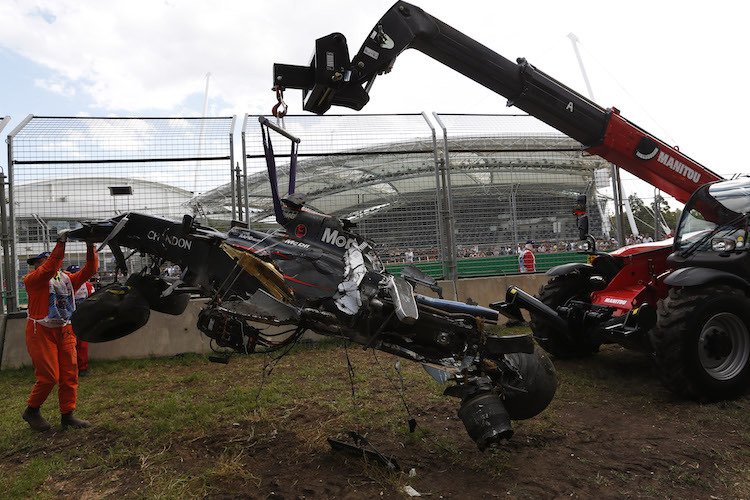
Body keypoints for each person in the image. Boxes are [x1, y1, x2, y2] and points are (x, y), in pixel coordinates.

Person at [22, 230, 98, 431]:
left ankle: (68, 415)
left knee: (69, 374)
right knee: (49, 376)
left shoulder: (66, 280)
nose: (41, 265)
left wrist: (90, 246)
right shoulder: (32, 280)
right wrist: (61, 243)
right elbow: (49, 269)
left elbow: (90, 270)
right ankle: (32, 410)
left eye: (43, 261)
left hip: (64, 329)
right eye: (39, 262)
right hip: (40, 331)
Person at [64, 264, 95, 377]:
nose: (76, 275)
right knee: (69, 345)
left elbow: (93, 301)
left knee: (82, 344)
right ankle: (70, 367)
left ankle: (82, 368)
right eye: (73, 273)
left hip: (82, 319)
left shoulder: (88, 286)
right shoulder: (63, 286)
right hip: (67, 320)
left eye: (77, 273)